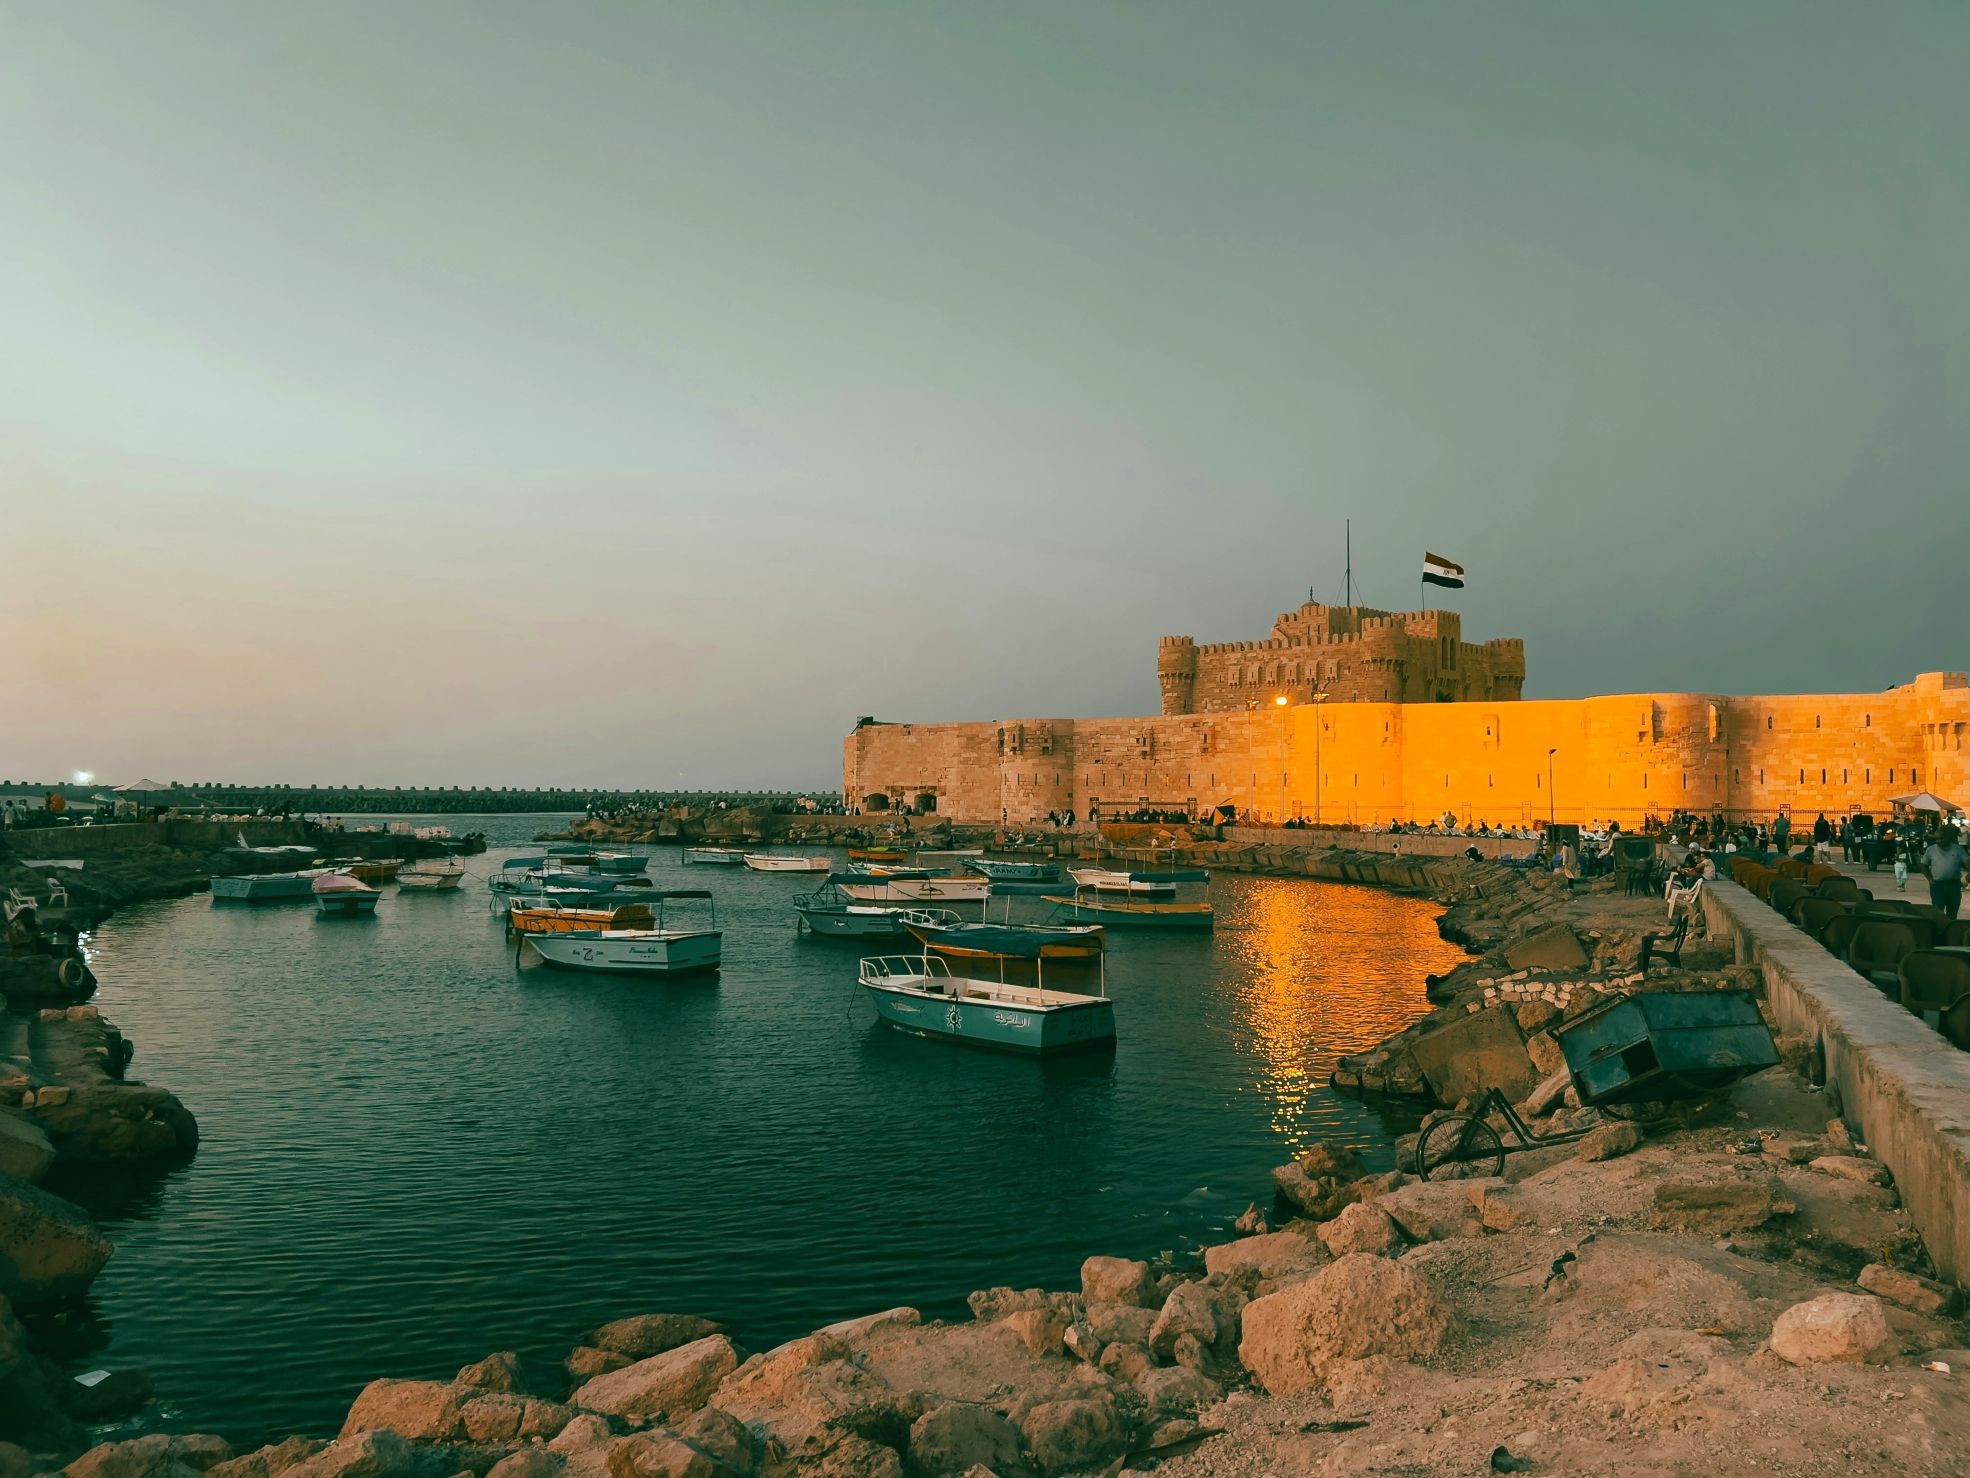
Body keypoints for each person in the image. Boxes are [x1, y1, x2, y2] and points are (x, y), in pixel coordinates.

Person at [1924, 827, 1964, 920]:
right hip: (1937, 885)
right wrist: (1930, 879)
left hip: (1954, 885)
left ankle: (1951, 931)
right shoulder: (1931, 850)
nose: (1939, 841)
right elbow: (1923, 865)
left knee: (1953, 912)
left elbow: (1967, 862)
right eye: (1937, 839)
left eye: (1941, 838)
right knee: (1938, 911)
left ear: (1947, 838)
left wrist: (1966, 879)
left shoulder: (1958, 849)